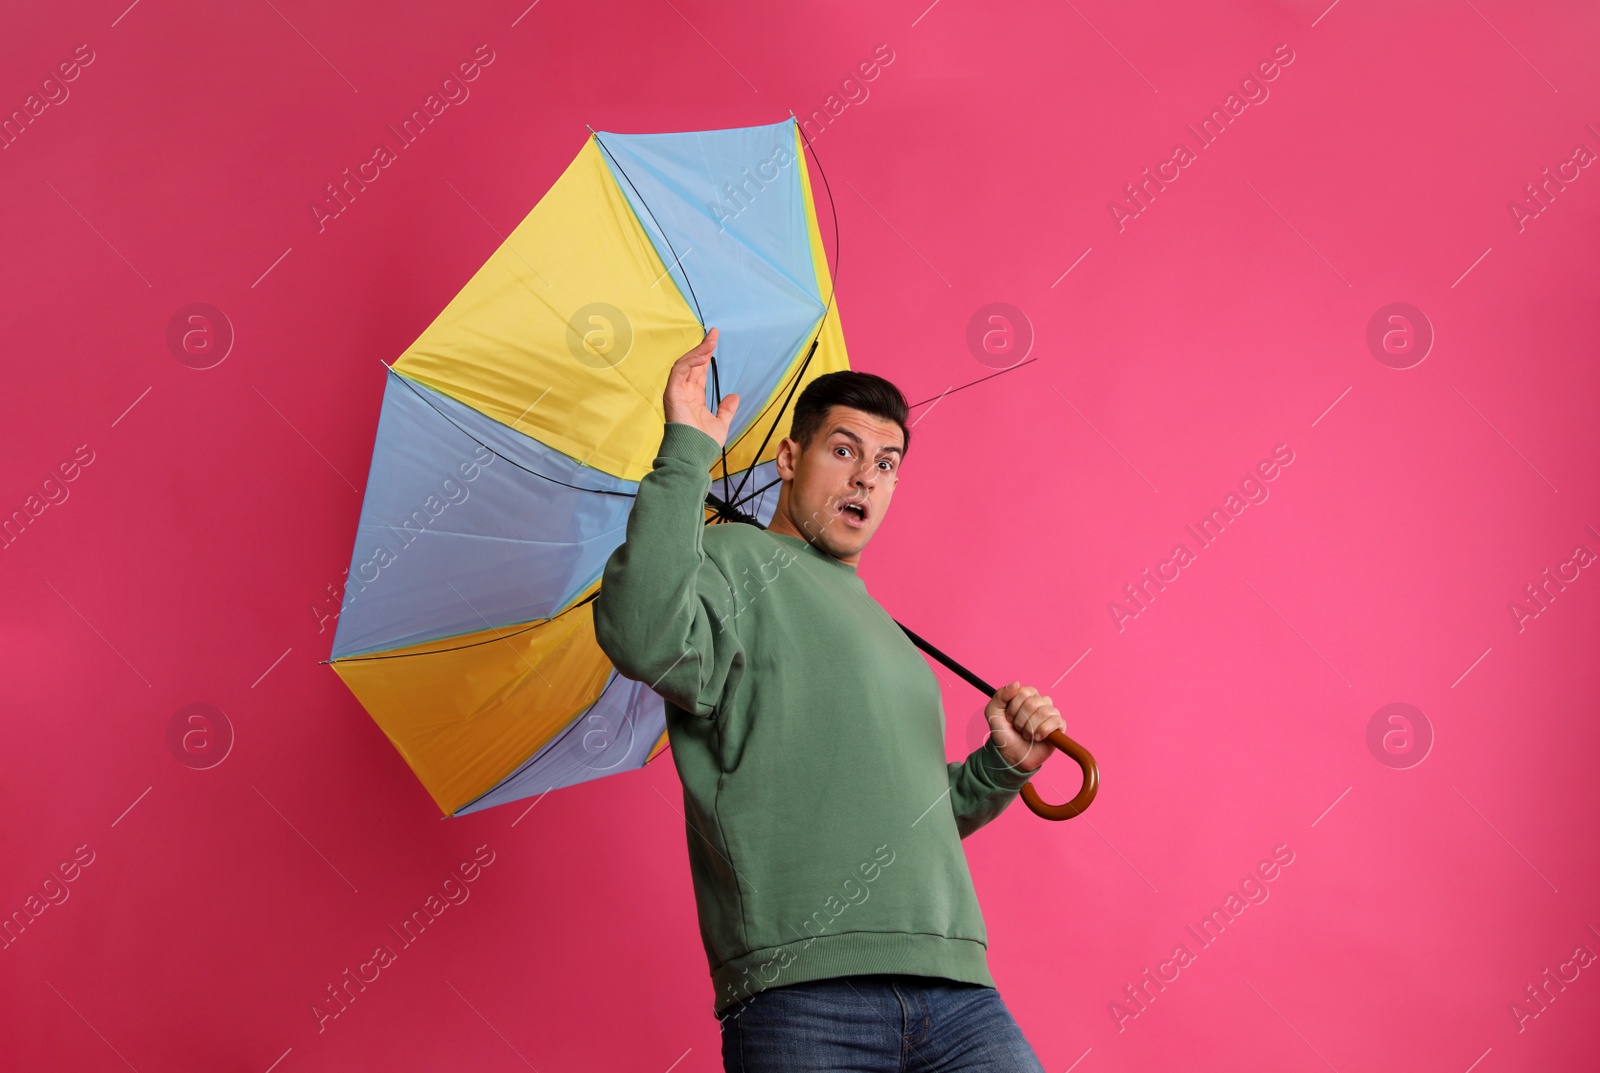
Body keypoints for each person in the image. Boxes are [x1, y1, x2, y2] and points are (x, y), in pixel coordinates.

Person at [594, 327, 1066, 1072]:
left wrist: (998, 768)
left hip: (957, 987)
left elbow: (907, 813)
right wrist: (686, 449)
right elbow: (644, 633)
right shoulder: (724, 560)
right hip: (802, 994)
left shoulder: (887, 630)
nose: (866, 479)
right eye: (843, 450)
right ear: (790, 458)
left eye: (887, 463)